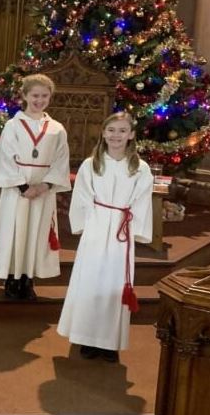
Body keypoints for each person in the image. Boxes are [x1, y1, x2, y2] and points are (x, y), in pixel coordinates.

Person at [57, 113, 153, 363]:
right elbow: (82, 195)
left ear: (131, 134)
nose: (116, 136)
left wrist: (135, 229)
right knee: (90, 282)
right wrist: (87, 224)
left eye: (122, 131)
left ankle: (109, 343)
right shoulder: (92, 164)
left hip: (122, 228)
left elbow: (142, 199)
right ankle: (86, 337)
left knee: (113, 285)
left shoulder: (139, 168)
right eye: (111, 130)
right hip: (97, 226)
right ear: (103, 132)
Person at [0, 74, 71, 300]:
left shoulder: (56, 129)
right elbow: (5, 157)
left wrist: (44, 185)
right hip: (18, 191)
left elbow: (61, 160)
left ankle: (28, 279)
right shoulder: (13, 126)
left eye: (44, 96)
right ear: (24, 96)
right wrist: (24, 187)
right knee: (15, 232)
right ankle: (11, 278)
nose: (39, 100)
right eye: (35, 95)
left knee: (36, 233)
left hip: (43, 192)